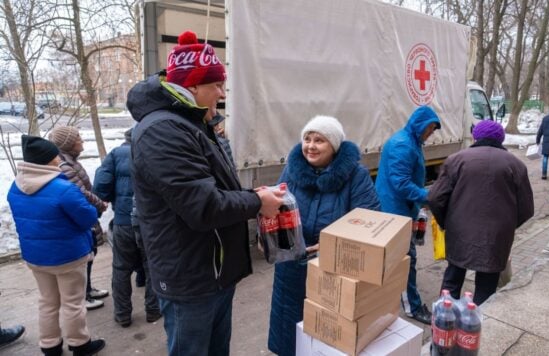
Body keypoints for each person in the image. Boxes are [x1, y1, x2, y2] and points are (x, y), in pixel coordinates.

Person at [127, 30, 284, 356]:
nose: (221, 94)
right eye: (216, 86)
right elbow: (203, 207)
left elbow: (211, 186)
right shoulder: (163, 130)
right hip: (191, 279)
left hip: (211, 273)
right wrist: (256, 202)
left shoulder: (190, 123)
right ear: (192, 86)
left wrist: (252, 194)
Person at [268, 115, 381, 356]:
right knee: (289, 330)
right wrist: (269, 236)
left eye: (319, 140)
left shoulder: (355, 176)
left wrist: (331, 247)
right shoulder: (292, 170)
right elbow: (276, 209)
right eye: (307, 139)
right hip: (291, 266)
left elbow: (371, 221)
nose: (310, 146)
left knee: (327, 335)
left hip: (333, 270)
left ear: (334, 145)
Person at [7, 135, 105, 356]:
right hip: (68, 256)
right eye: (54, 156)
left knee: (48, 302)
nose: (57, 160)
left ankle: (50, 345)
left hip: (35, 257)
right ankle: (79, 344)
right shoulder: (63, 189)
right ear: (46, 160)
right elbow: (88, 217)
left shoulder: (15, 187)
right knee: (72, 303)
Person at [428, 121, 534, 305]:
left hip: (459, 232)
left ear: (475, 137)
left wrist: (447, 223)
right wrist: (506, 226)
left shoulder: (456, 160)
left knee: (452, 279)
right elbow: (527, 209)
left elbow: (435, 198)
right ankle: (476, 326)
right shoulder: (516, 165)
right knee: (486, 286)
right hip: (496, 237)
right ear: (500, 139)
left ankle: (443, 326)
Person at [375, 105, 441, 325]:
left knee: (395, 259)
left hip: (400, 208)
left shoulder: (411, 141)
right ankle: (412, 307)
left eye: (433, 130)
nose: (430, 134)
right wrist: (427, 197)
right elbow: (401, 183)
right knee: (406, 259)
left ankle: (384, 296)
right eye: (429, 129)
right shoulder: (403, 145)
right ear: (419, 125)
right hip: (394, 211)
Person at [93, 128, 161, 327]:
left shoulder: (115, 155)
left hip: (123, 222)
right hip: (149, 223)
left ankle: (122, 314)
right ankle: (153, 311)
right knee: (152, 268)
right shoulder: (154, 152)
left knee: (121, 269)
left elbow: (101, 189)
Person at [49, 126, 109, 311]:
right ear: (68, 143)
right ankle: (83, 295)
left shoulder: (70, 160)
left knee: (90, 255)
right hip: (81, 218)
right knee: (84, 257)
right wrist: (100, 203)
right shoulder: (64, 164)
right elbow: (80, 193)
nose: (82, 141)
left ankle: (88, 290)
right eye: (78, 138)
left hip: (85, 216)